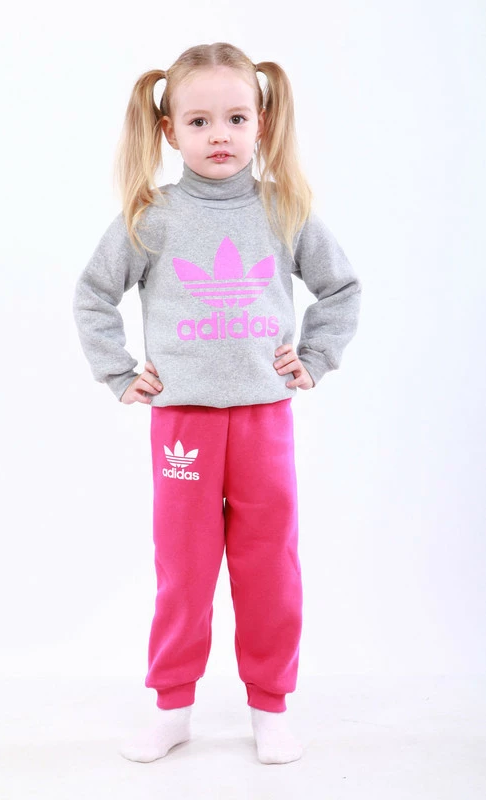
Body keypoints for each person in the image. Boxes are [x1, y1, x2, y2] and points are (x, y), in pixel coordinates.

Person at [72, 42, 362, 765]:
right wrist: (118, 373)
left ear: (262, 121)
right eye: (199, 121)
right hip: (182, 424)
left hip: (264, 420)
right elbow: (94, 294)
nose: (219, 135)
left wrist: (315, 357)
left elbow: (340, 288)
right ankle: (173, 708)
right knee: (184, 571)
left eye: (236, 117)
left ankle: (270, 708)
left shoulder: (284, 209)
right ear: (169, 131)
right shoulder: (153, 216)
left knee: (270, 569)